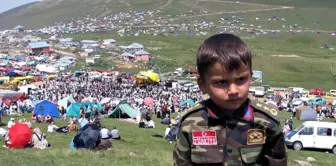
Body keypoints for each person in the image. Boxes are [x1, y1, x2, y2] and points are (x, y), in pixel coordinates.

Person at [173, 33, 287, 166]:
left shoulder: (266, 122)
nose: (233, 90)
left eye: (241, 79)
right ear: (202, 84)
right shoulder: (191, 123)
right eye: (221, 82)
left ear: (250, 77)